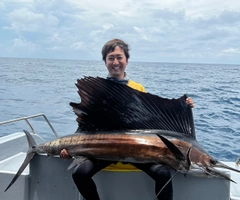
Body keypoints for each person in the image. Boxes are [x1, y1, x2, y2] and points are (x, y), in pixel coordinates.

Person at [60, 39, 194, 200]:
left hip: (137, 151)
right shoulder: (97, 92)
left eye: (119, 57)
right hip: (105, 152)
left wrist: (183, 108)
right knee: (79, 173)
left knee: (163, 173)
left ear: (127, 61)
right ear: (105, 62)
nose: (115, 62)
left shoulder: (138, 89)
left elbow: (155, 120)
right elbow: (87, 125)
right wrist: (72, 150)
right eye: (111, 58)